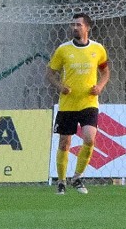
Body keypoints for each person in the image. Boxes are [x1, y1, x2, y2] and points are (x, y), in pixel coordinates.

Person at [46, 13, 110, 195]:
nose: (75, 27)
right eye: (73, 24)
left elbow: (105, 72)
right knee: (64, 143)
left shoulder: (98, 49)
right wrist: (60, 86)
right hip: (68, 104)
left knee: (90, 138)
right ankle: (61, 181)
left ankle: (78, 177)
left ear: (87, 27)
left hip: (89, 102)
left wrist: (100, 86)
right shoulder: (63, 50)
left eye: (78, 25)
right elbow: (50, 73)